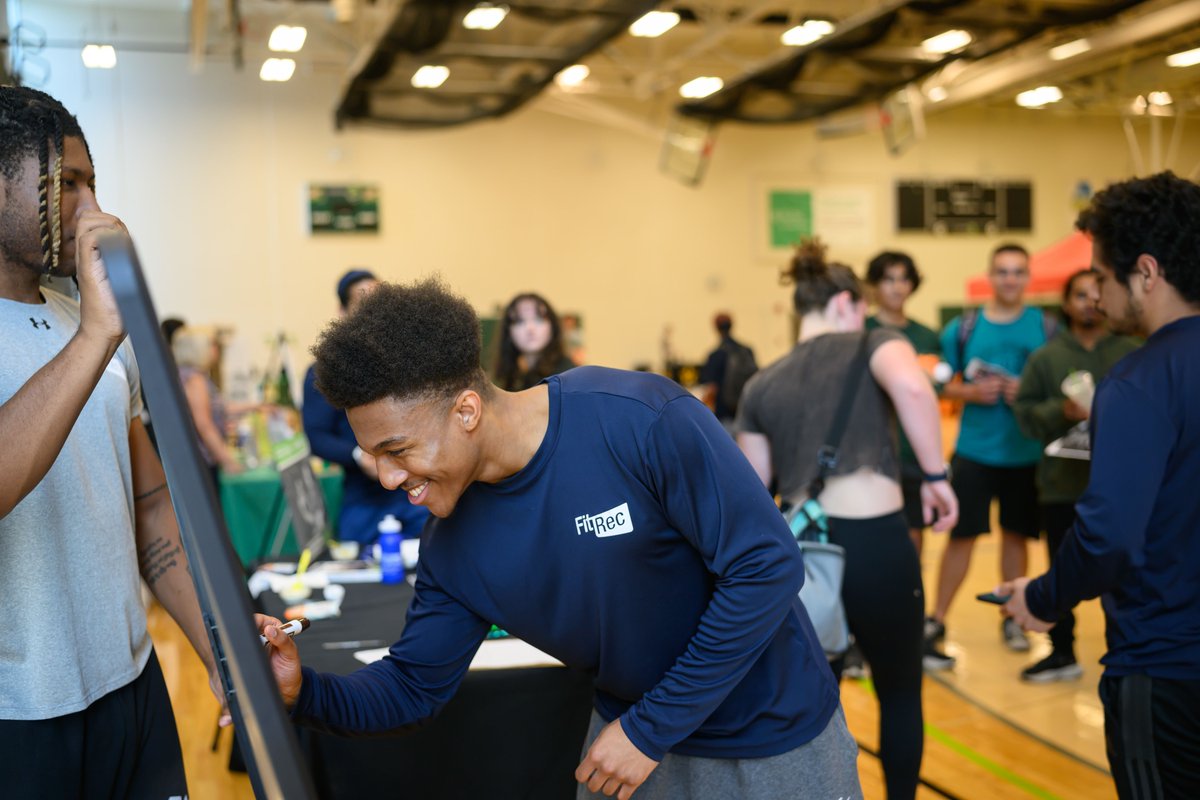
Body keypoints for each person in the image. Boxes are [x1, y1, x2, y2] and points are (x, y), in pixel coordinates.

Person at [259, 278, 863, 800]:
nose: (387, 477)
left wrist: (650, 728)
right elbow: (412, 687)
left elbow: (767, 567)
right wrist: (303, 691)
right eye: (373, 456)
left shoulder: (635, 418)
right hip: (630, 746)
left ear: (466, 410)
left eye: (398, 451)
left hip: (769, 737)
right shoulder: (451, 545)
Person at [0, 86, 226, 797]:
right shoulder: (97, 331)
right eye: (65, 184)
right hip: (21, 718)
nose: (92, 209)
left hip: (131, 686)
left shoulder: (90, 325)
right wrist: (100, 334)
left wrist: (218, 652)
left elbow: (152, 509)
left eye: (93, 182)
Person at [1001, 172, 1200, 799]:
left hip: (1165, 670)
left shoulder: (1139, 381)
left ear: (1146, 272)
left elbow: (1109, 535)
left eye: (1103, 279)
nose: (1096, 296)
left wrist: (1042, 596)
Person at [737, 240, 958, 800]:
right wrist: (934, 476)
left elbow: (751, 487)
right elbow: (912, 385)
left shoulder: (763, 382)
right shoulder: (875, 341)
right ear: (844, 302)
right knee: (901, 691)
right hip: (878, 543)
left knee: (817, 697)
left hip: (805, 558)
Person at [926, 243, 1051, 669]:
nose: (1010, 279)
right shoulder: (962, 328)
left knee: (1016, 538)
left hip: (1025, 453)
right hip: (974, 453)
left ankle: (1011, 617)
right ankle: (936, 619)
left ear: (1027, 277)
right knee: (961, 538)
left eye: (1018, 271)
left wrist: (1028, 394)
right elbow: (941, 383)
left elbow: (1062, 391)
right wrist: (970, 392)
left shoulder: (1046, 327)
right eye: (1002, 271)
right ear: (990, 276)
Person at [1012, 269, 1139, 683]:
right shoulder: (1045, 359)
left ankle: (1127, 648)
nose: (1089, 302)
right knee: (1062, 565)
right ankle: (1062, 651)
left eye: (1095, 293)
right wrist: (1059, 412)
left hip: (1125, 487)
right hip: (1062, 485)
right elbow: (1026, 415)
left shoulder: (1132, 351)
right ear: (1065, 304)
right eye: (1079, 295)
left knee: (1126, 570)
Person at [302, 268, 430, 544]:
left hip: (417, 492)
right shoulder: (325, 371)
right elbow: (316, 436)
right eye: (363, 304)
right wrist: (359, 456)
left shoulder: (409, 362)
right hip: (364, 499)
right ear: (343, 311)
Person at [863, 250, 941, 557]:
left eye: (903, 279)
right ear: (874, 285)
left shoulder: (927, 336)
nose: (897, 287)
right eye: (888, 279)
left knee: (913, 535)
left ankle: (911, 600)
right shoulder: (859, 331)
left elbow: (936, 390)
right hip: (867, 451)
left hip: (912, 450)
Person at [173, 325, 244, 484]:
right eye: (212, 345)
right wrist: (228, 460)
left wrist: (256, 406)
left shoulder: (187, 374)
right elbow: (204, 424)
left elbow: (220, 408)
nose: (216, 349)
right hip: (202, 461)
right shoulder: (195, 379)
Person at [491, 291, 577, 391]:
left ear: (553, 326)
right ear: (508, 332)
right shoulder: (511, 379)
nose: (530, 328)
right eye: (520, 321)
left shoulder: (566, 377)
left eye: (539, 319)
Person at [698, 312, 757, 435]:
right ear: (732, 325)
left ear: (715, 327)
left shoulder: (715, 355)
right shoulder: (747, 351)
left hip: (724, 415)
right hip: (745, 413)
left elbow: (710, 389)